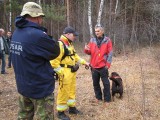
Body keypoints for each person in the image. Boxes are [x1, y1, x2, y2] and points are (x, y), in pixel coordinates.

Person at [10, 2, 60, 119]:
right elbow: (55, 51)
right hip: (39, 89)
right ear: (37, 17)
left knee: (24, 116)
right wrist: (46, 36)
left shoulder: (16, 33)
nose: (41, 20)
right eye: (41, 17)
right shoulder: (37, 35)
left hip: (23, 86)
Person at [50, 26, 89, 120]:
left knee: (71, 90)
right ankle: (60, 112)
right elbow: (54, 62)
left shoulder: (69, 44)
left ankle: (72, 108)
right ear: (67, 34)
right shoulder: (60, 44)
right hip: (65, 72)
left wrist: (85, 62)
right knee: (63, 92)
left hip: (72, 72)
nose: (75, 37)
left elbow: (75, 56)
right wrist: (61, 73)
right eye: (73, 35)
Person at [84, 25, 113, 106]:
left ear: (102, 31)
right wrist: (86, 49)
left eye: (98, 31)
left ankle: (107, 99)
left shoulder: (107, 40)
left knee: (106, 83)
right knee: (95, 83)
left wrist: (107, 65)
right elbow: (88, 52)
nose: (96, 33)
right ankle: (98, 98)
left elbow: (110, 53)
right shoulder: (92, 40)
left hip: (103, 66)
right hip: (94, 67)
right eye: (95, 31)